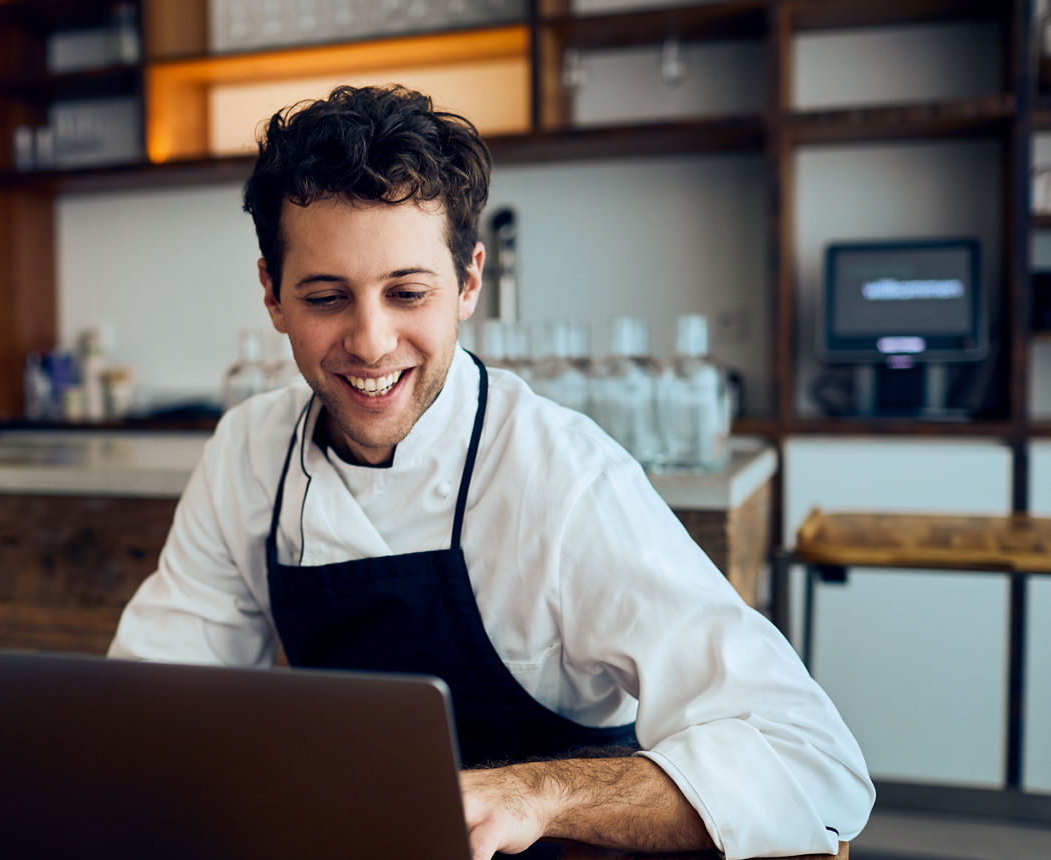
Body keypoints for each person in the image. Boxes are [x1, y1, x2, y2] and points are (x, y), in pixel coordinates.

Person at [109, 84, 873, 860]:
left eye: (408, 292)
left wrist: (533, 794)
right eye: (326, 297)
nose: (370, 342)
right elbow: (147, 716)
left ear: (469, 283)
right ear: (273, 296)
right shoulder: (248, 452)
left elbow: (811, 763)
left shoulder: (564, 479)